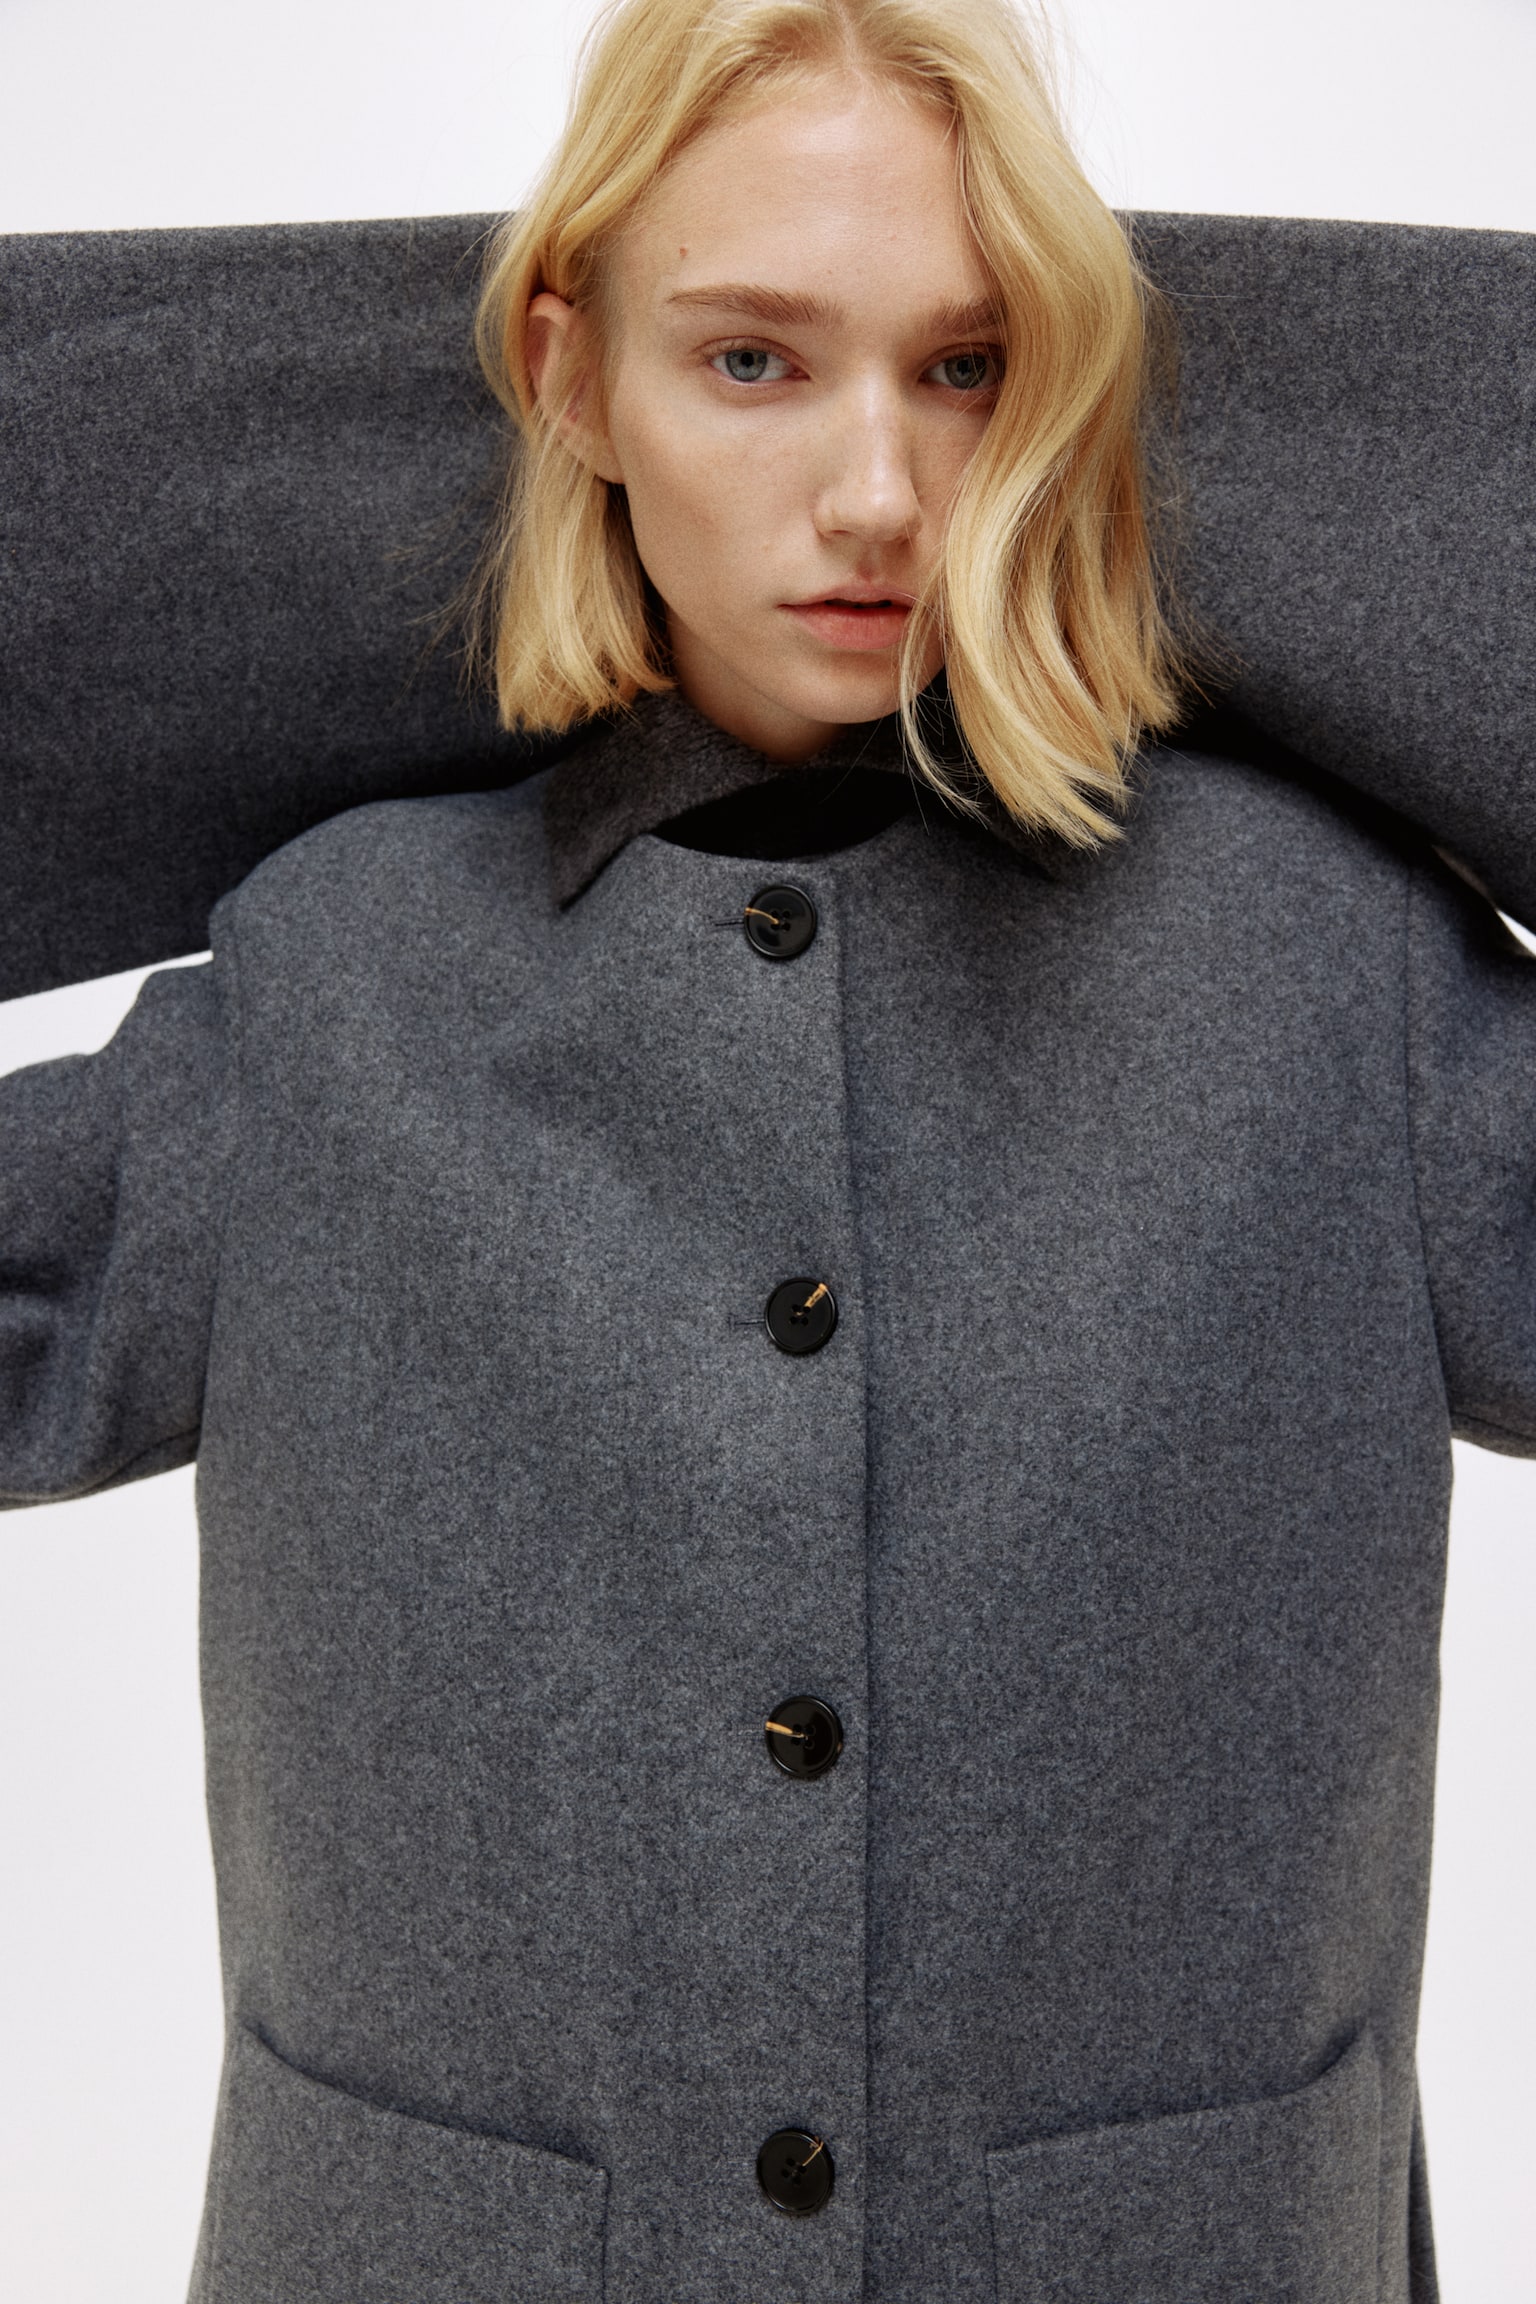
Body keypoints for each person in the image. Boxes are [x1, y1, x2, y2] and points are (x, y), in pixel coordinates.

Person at [2, 1, 1530, 2298]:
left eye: (970, 367)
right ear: (564, 378)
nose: (880, 497)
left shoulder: (1323, 964)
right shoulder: (334, 981)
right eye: (749, 361)